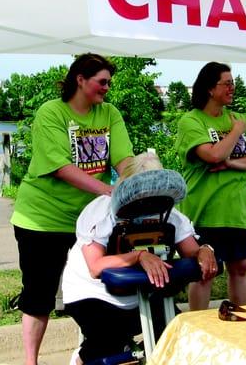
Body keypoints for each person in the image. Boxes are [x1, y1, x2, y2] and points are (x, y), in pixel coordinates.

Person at [10, 53, 134, 365]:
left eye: (109, 83)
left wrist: (135, 183)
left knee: (100, 287)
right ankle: (31, 362)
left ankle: (89, 352)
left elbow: (124, 159)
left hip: (91, 223)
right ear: (80, 79)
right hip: (42, 219)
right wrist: (109, 190)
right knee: (39, 295)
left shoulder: (109, 114)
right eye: (101, 82)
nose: (107, 88)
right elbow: (61, 167)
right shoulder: (51, 112)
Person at [61, 152, 218, 365]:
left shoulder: (168, 212)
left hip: (142, 293)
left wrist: (205, 250)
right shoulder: (101, 210)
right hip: (92, 295)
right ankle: (82, 358)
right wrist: (138, 256)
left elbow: (192, 250)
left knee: (174, 336)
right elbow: (95, 266)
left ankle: (145, 354)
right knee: (110, 349)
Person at [175, 62, 246, 310]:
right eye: (226, 83)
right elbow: (213, 155)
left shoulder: (238, 118)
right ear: (209, 88)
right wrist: (236, 132)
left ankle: (241, 326)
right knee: (205, 271)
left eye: (233, 82)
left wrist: (230, 165)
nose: (232, 88)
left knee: (241, 267)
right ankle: (199, 330)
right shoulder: (192, 121)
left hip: (237, 210)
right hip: (205, 211)